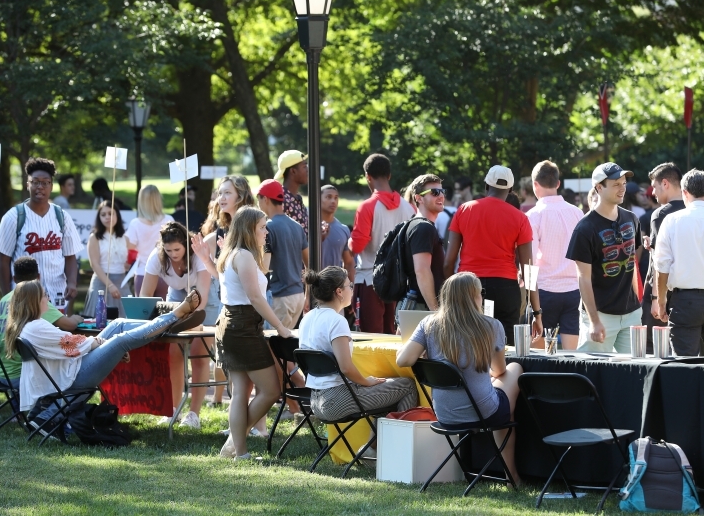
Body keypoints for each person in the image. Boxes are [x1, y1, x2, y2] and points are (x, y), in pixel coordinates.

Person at [4, 280, 204, 436]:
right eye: (43, 296)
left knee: (117, 324)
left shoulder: (29, 326)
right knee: (119, 340)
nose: (47, 298)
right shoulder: (36, 327)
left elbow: (72, 345)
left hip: (69, 371)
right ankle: (173, 317)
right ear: (34, 301)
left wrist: (103, 347)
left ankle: (166, 323)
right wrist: (106, 347)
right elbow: (74, 343)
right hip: (72, 378)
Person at [397, 272, 523, 485]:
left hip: (445, 415)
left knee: (495, 398)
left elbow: (403, 360)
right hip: (484, 412)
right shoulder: (491, 325)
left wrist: (427, 354)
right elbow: (499, 369)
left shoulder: (429, 324)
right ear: (473, 296)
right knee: (515, 368)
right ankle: (513, 477)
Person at [193, 207, 291, 460]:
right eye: (261, 227)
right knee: (271, 389)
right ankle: (236, 445)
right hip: (242, 326)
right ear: (249, 229)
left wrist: (206, 260)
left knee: (240, 391)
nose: (266, 232)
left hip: (233, 325)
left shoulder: (232, 253)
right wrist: (280, 328)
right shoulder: (243, 256)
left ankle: (238, 450)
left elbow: (227, 281)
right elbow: (255, 297)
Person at [300, 266, 418, 461]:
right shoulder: (336, 321)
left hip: (316, 401)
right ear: (339, 292)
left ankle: (373, 450)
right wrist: (366, 381)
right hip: (335, 401)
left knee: (387, 391)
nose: (352, 289)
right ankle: (397, 456)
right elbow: (345, 367)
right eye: (349, 285)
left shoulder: (308, 318)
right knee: (407, 386)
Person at [444, 165, 542, 346]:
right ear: (510, 190)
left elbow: (448, 262)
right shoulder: (520, 218)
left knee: (469, 345)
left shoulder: (464, 210)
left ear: (486, 186)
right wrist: (536, 313)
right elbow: (528, 269)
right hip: (505, 288)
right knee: (505, 349)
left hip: (468, 286)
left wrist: (448, 297)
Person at [0, 257, 82, 427]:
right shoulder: (33, 299)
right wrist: (77, 318)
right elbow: (68, 325)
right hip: (22, 375)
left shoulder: (4, 299)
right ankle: (51, 416)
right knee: (72, 369)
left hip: (1, 371)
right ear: (39, 277)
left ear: (14, 279)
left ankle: (34, 415)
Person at [140, 222, 211, 428]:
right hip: (177, 295)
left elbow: (203, 295)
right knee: (174, 353)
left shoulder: (196, 254)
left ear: (186, 246)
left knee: (199, 352)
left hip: (206, 295)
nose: (173, 254)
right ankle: (173, 409)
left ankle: (194, 414)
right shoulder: (157, 257)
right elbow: (145, 295)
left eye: (177, 250)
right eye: (168, 250)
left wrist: (191, 321)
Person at [566, 162, 641, 353]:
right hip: (601, 315)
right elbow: (583, 278)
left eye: (624, 183)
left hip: (631, 313)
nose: (622, 188)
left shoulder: (632, 219)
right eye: (616, 184)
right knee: (590, 375)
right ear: (599, 187)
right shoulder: (584, 228)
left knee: (635, 374)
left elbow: (633, 263)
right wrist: (594, 321)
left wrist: (638, 304)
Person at [197, 176, 255, 409]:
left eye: (227, 193)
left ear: (240, 196)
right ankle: (239, 421)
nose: (220, 198)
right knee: (233, 366)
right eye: (219, 193)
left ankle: (256, 425)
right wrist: (203, 257)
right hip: (230, 304)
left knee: (251, 367)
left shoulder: (252, 225)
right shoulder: (221, 231)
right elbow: (221, 276)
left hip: (251, 304)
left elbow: (259, 270)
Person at [0, 157, 84, 306]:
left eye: (45, 182)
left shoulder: (62, 216)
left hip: (57, 295)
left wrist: (72, 282)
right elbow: (3, 260)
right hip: (24, 297)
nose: (40, 187)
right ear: (27, 184)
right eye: (35, 182)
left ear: (51, 186)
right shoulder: (13, 217)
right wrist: (7, 297)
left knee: (58, 329)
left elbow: (70, 255)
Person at [348, 153, 415, 334]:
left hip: (370, 280)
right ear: (389, 175)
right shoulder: (409, 208)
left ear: (367, 177)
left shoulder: (367, 207)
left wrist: (348, 242)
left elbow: (357, 246)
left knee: (370, 338)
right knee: (392, 338)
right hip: (398, 283)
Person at [525, 161, 584, 350]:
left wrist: (528, 296)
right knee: (571, 356)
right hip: (574, 289)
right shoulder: (577, 212)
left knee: (540, 357)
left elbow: (529, 261)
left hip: (544, 290)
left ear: (535, 184)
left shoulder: (534, 215)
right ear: (558, 183)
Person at [653, 169, 704, 356]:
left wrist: (661, 301)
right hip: (686, 298)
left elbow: (662, 265)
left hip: (685, 301)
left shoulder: (672, 220)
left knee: (684, 365)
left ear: (684, 192)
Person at [256, 179, 308, 329]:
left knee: (272, 348)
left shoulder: (268, 228)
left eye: (258, 199)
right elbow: (310, 264)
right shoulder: (297, 226)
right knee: (284, 347)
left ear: (265, 199)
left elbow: (264, 267)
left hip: (280, 297)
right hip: (298, 296)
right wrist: (308, 295)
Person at [643, 164, 684, 332]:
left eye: (654, 187)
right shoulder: (692, 211)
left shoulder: (660, 214)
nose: (653, 193)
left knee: (654, 349)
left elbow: (658, 260)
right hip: (689, 294)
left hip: (663, 293)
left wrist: (655, 298)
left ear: (665, 183)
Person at [401, 174, 446, 312]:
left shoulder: (418, 225)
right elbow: (422, 271)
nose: (441, 196)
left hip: (417, 306)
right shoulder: (423, 228)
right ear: (418, 198)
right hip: (421, 308)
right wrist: (435, 311)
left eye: (442, 191)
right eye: (434, 192)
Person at [125, 185, 174, 297]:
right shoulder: (169, 220)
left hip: (143, 273)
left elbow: (131, 249)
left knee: (142, 313)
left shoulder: (135, 223)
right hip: (165, 274)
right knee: (165, 312)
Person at [83, 201, 130, 318]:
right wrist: (110, 285)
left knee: (125, 321)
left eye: (110, 213)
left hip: (121, 282)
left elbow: (129, 260)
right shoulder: (94, 237)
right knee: (99, 321)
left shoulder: (125, 238)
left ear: (117, 215)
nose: (107, 217)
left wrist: (128, 265)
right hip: (101, 282)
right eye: (103, 214)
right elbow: (94, 264)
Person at [320, 185, 355, 283]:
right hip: (309, 285)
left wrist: (352, 288)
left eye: (336, 198)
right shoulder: (308, 225)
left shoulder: (343, 229)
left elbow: (348, 263)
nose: (333, 201)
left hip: (333, 287)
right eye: (328, 197)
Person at [275, 150, 309, 236]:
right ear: (293, 171)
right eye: (304, 166)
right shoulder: (282, 199)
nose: (308, 169)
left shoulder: (297, 197)